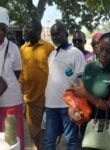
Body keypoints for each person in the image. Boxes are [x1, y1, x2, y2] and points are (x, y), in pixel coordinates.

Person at [69, 32, 110, 149]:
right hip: (87, 123)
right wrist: (73, 109)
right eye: (102, 48)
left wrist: (87, 95)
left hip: (107, 126)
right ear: (97, 47)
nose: (104, 53)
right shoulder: (90, 67)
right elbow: (81, 95)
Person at [43, 22, 86, 150]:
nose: (55, 37)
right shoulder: (52, 54)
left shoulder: (76, 53)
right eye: (52, 35)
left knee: (71, 140)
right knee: (49, 141)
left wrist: (76, 106)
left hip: (68, 106)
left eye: (58, 34)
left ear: (66, 34)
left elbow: (81, 81)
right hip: (50, 105)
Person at [19, 20, 54, 150]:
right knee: (33, 131)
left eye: (30, 29)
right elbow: (22, 72)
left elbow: (54, 71)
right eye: (26, 29)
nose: (26, 31)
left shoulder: (49, 48)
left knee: (46, 131)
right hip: (29, 98)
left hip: (47, 99)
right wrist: (19, 89)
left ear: (39, 31)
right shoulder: (22, 49)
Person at [0, 7, 24, 150]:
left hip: (11, 100)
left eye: (3, 29)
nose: (1, 33)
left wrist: (5, 83)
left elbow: (17, 72)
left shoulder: (14, 48)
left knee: (13, 137)